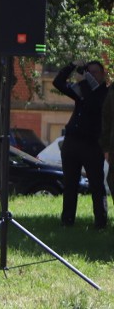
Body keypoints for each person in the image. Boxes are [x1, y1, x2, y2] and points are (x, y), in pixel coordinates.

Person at [53, 60, 108, 229]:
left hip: (92, 144)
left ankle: (100, 222)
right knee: (69, 184)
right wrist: (71, 65)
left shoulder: (105, 93)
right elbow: (58, 83)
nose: (91, 75)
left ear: (103, 75)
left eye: (95, 72)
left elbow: (93, 105)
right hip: (72, 142)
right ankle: (67, 221)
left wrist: (83, 81)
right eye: (88, 72)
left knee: (96, 185)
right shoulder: (81, 90)